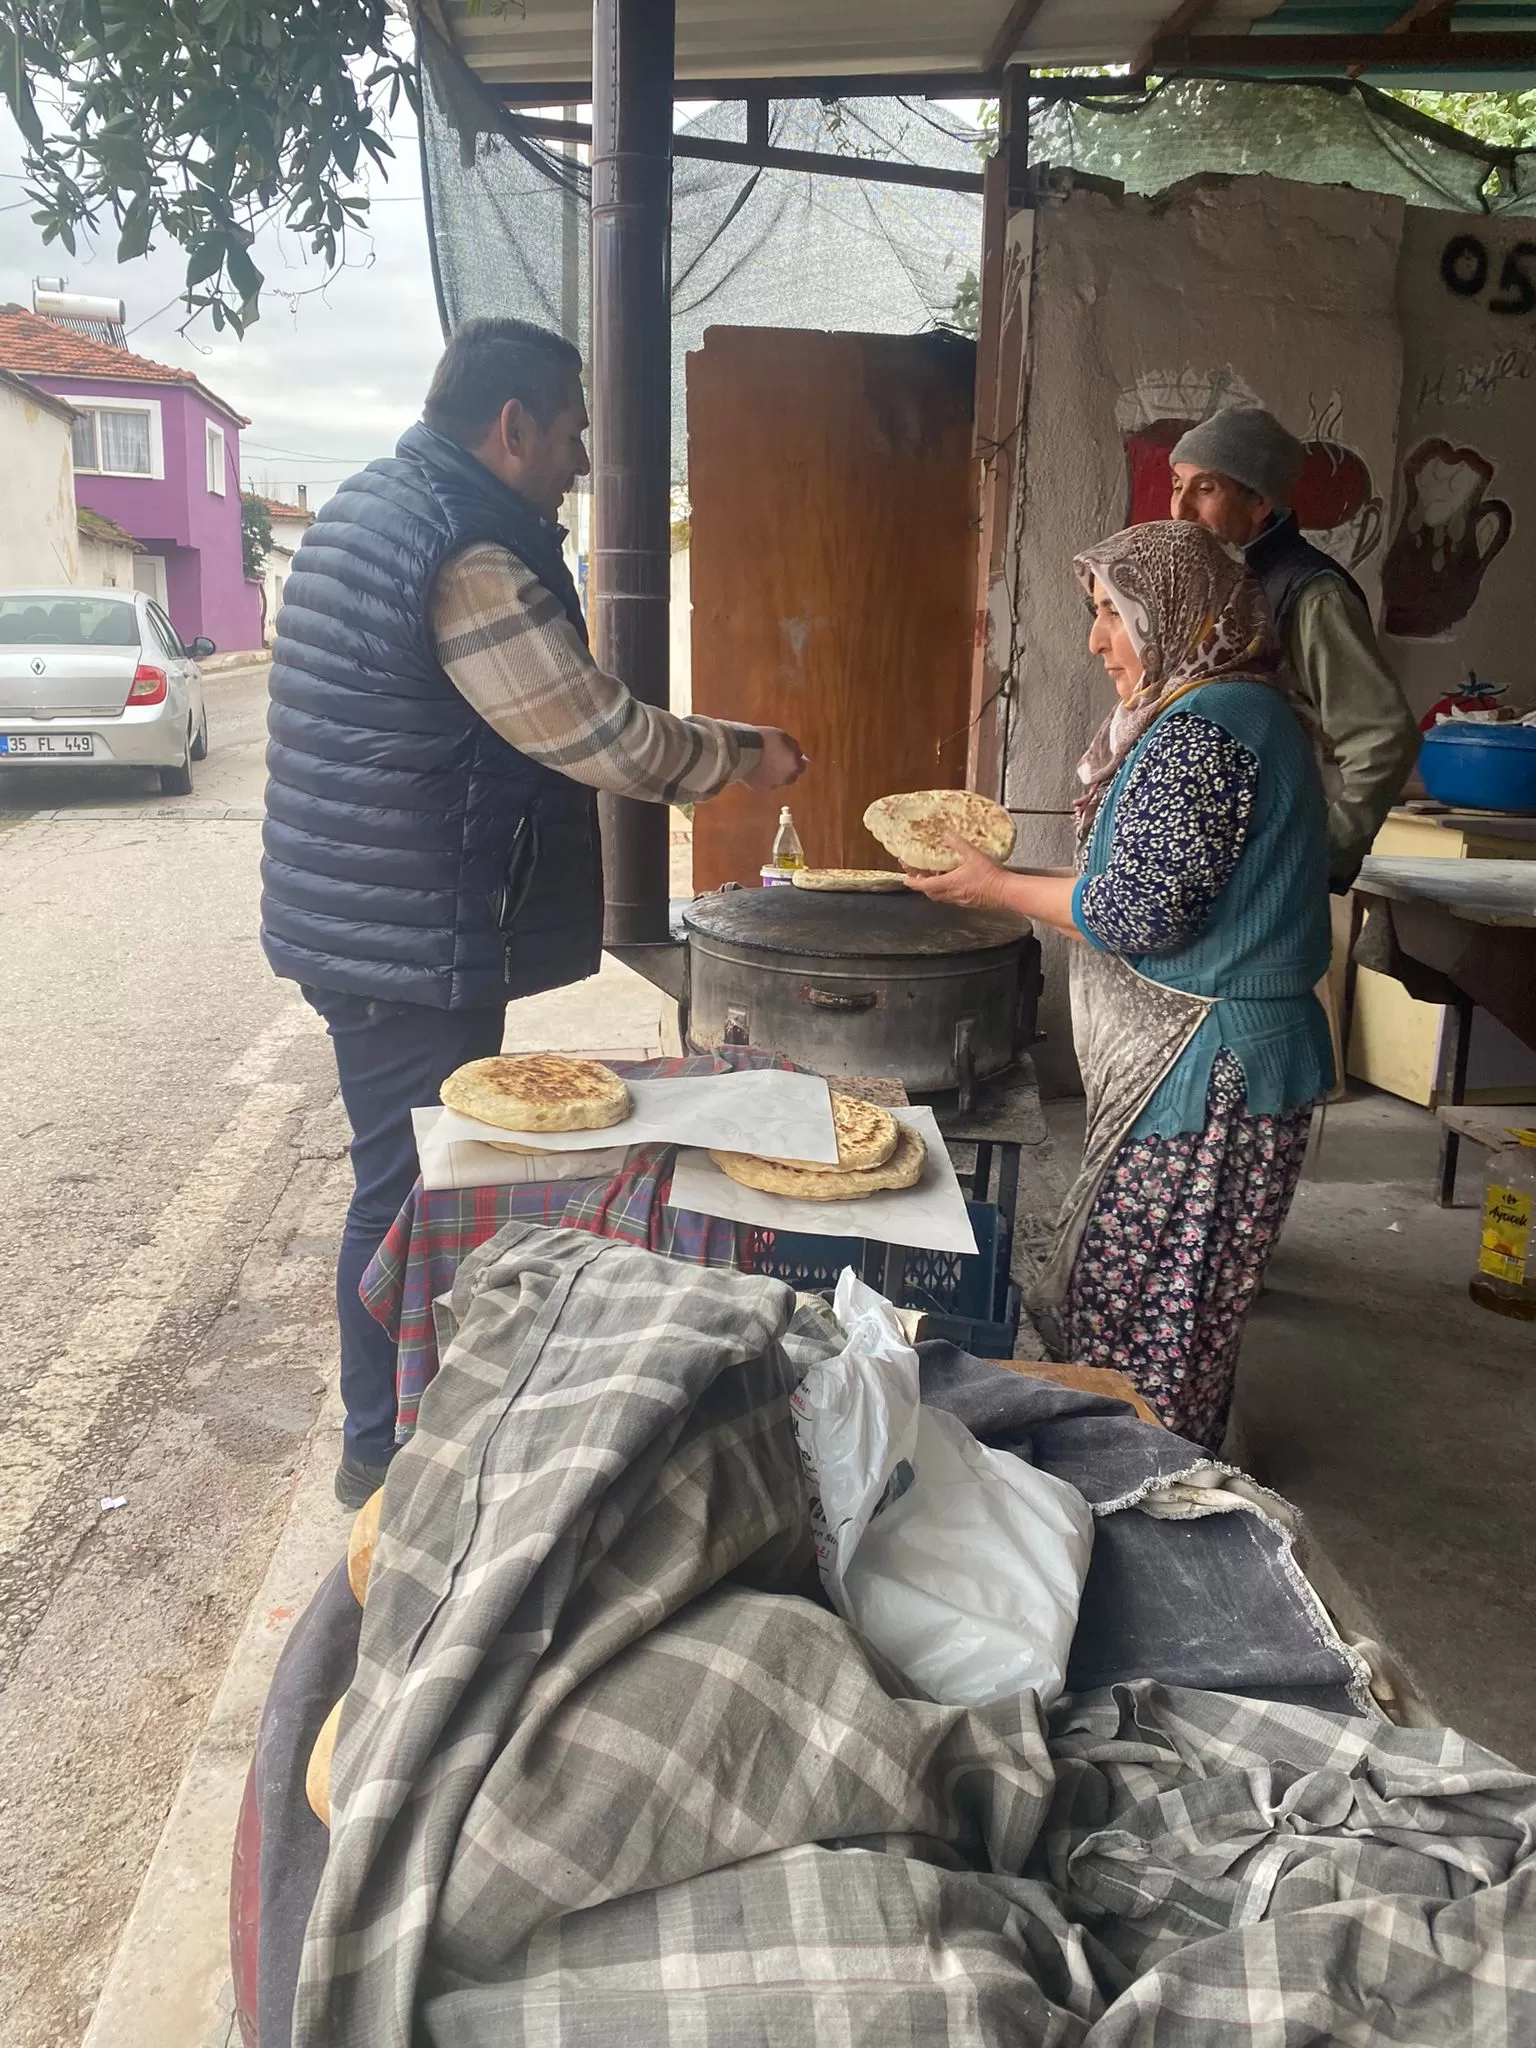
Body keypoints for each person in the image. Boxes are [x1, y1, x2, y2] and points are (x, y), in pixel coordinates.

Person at [260, 317, 806, 1506]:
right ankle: (378, 1451)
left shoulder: (382, 499)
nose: (578, 461)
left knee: (417, 1167)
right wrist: (743, 753)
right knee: (405, 1184)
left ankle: (405, 1409)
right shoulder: (465, 554)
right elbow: (597, 732)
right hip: (403, 926)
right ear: (511, 426)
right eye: (570, 430)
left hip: (375, 908)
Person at [906, 521, 1333, 1449]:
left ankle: (1154, 1505)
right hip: (1201, 1062)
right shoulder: (1213, 708)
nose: (1095, 639)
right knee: (1148, 1309)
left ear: (1174, 613)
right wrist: (1004, 877)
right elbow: (1144, 878)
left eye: (1111, 615)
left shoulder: (1210, 728)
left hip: (1216, 1072)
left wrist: (999, 888)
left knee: (1152, 1327)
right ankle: (1154, 1475)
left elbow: (1142, 911)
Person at [1169, 405, 1419, 892]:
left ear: (1260, 502)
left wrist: (1317, 860)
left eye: (1205, 488)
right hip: (1230, 871)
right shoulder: (1229, 584)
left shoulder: (1313, 596)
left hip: (1279, 876)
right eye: (1177, 485)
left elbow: (1383, 740)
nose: (1179, 509)